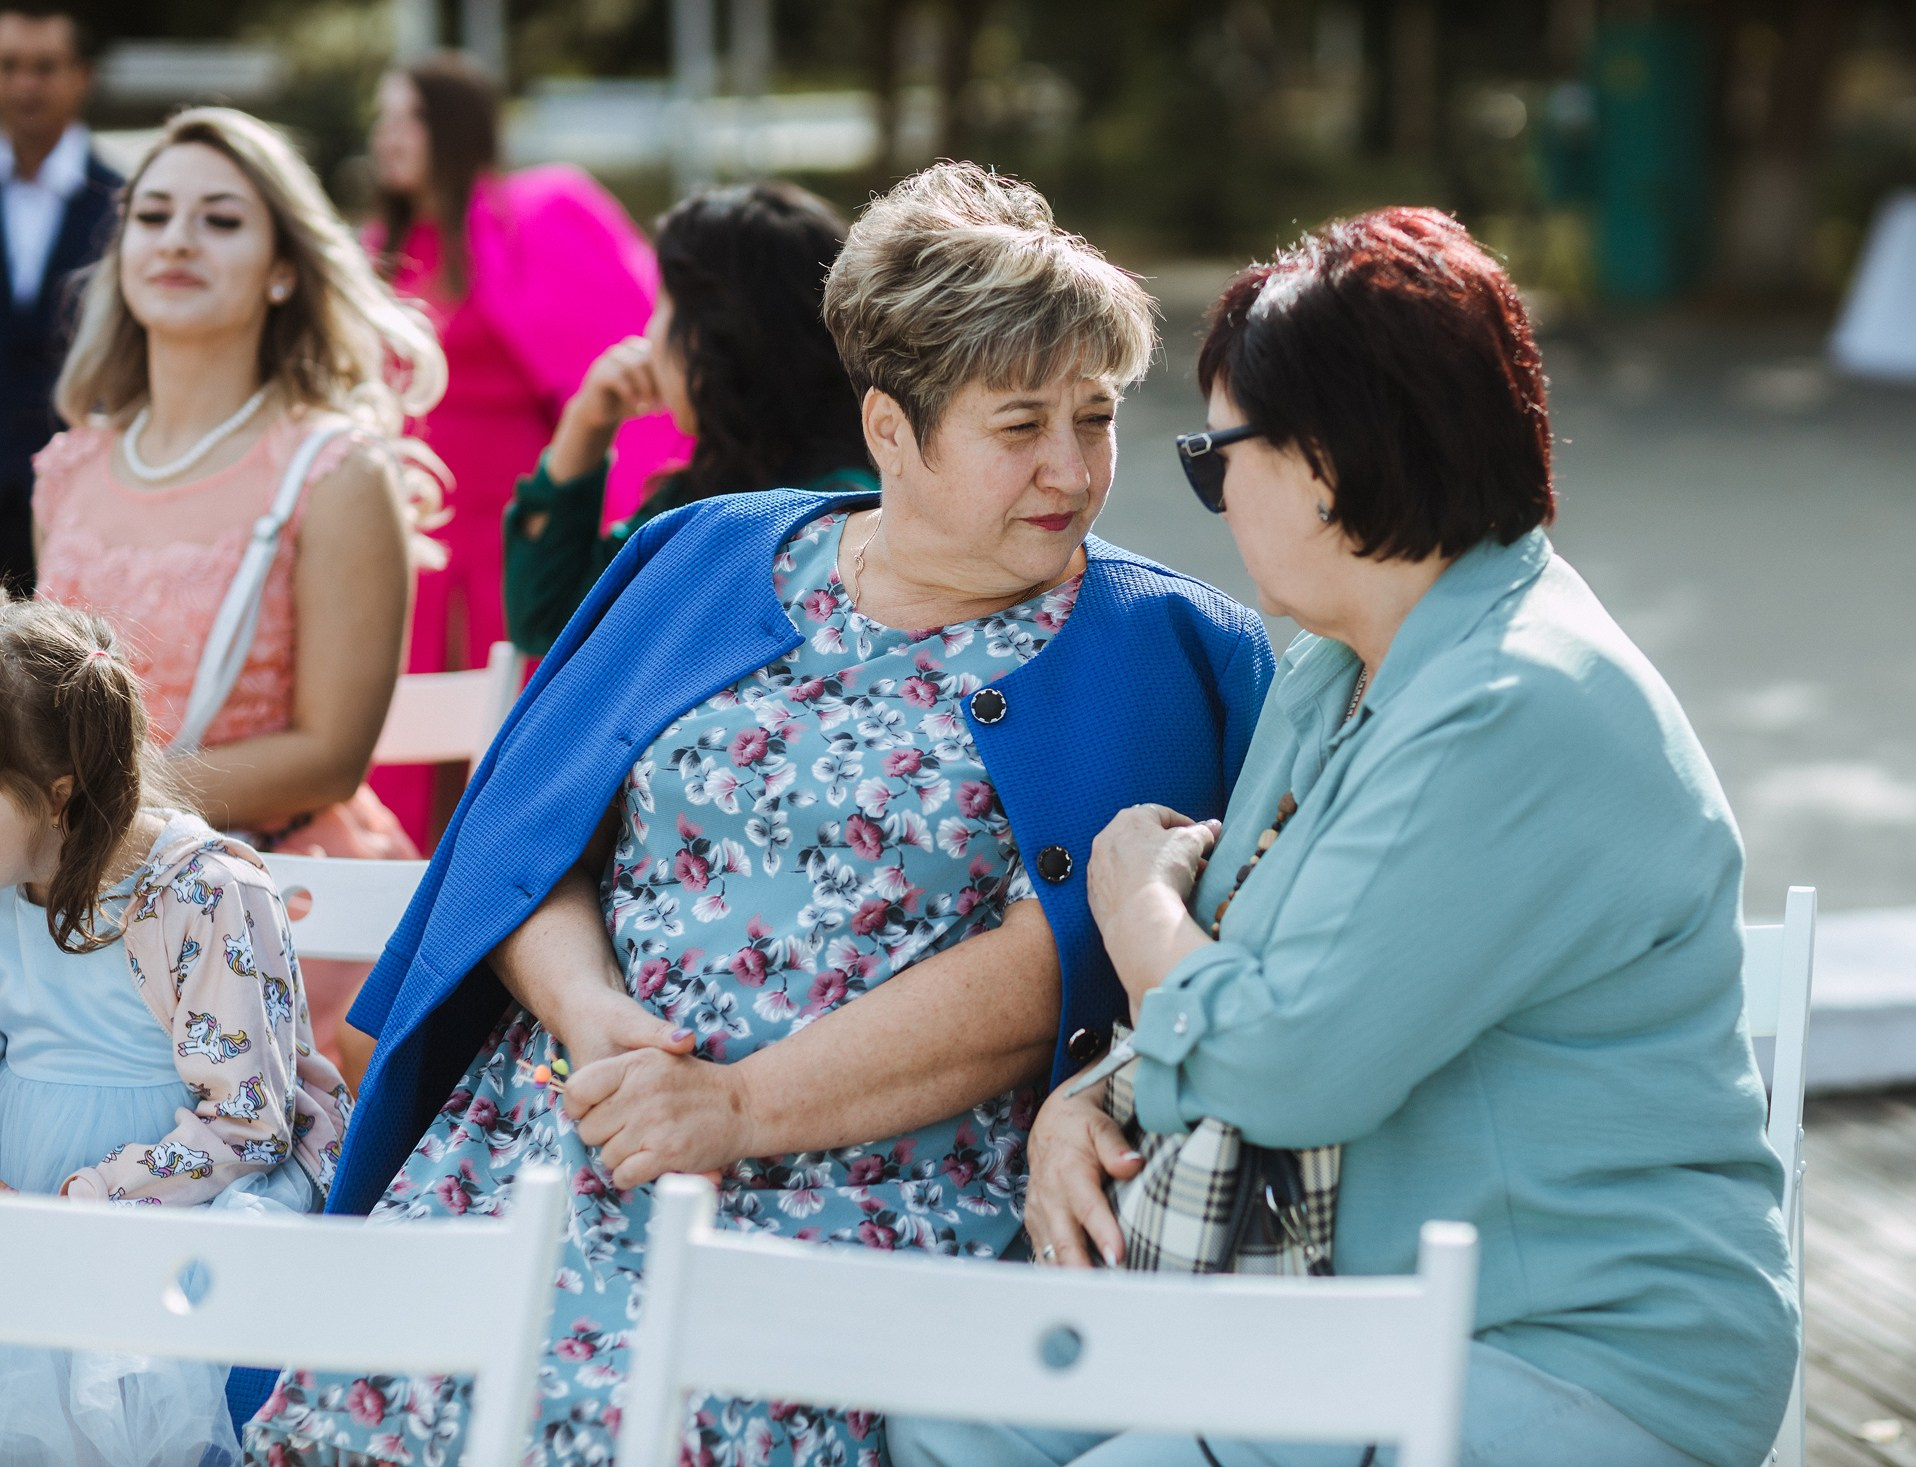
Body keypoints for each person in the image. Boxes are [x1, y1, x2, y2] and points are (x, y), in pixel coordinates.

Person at [243, 162, 1273, 1467]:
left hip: (856, 1192)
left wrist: (732, 1110)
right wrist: (590, 1011)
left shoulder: (1151, 642)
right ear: (893, 431)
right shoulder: (702, 554)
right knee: (369, 1408)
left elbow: (1052, 959)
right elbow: (529, 832)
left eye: (1097, 414)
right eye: (1020, 427)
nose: (1072, 468)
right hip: (571, 1128)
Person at [895, 209, 1800, 1467]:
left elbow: (1278, 1059)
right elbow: (1263, 966)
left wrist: (1133, 906)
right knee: (945, 1406)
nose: (1207, 503)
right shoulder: (1342, 670)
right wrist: (1088, 1099)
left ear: (1323, 460)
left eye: (1217, 461)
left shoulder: (1513, 704)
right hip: (1341, 1319)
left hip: (1566, 1355)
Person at [32, 106, 444, 1089]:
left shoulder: (337, 471)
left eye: (220, 220)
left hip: (280, 899)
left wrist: (95, 809)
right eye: (153, 215)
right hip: (70, 892)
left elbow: (331, 757)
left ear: (283, 267)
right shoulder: (71, 467)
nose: (177, 239)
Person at [0, 600, 348, 1466]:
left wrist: (71, 1209)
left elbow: (247, 1123)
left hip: (159, 1208)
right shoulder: (9, 879)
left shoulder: (201, 894)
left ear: (58, 794)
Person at [366, 52, 686, 843]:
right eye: (384, 118)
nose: (388, 135)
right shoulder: (378, 249)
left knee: (510, 739)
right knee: (404, 760)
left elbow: (611, 357)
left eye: (408, 116)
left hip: (509, 525)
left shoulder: (535, 220)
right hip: (410, 536)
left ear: (455, 127)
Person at [503, 180, 874, 656]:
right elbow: (548, 621)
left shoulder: (833, 512)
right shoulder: (702, 492)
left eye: (664, 306)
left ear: (718, 336)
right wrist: (587, 424)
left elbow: (548, 617)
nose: (649, 336)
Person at [0, 4, 118, 595]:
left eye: (44, 66)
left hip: (80, 499)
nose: (25, 84)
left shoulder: (130, 209)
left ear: (81, 77)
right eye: (9, 65)